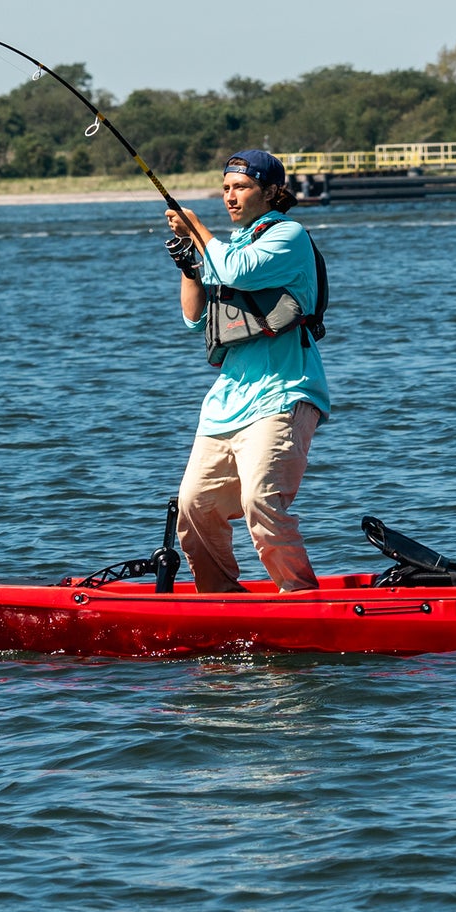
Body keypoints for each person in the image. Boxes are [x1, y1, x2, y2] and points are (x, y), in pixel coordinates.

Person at [161, 150, 330, 593]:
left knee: (261, 502)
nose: (230, 197)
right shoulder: (227, 246)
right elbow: (195, 319)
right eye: (225, 188)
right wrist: (189, 267)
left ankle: (300, 596)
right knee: (194, 506)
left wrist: (196, 229)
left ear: (271, 192)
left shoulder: (288, 235)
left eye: (241, 187)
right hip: (226, 404)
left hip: (283, 394)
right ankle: (220, 598)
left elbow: (239, 271)